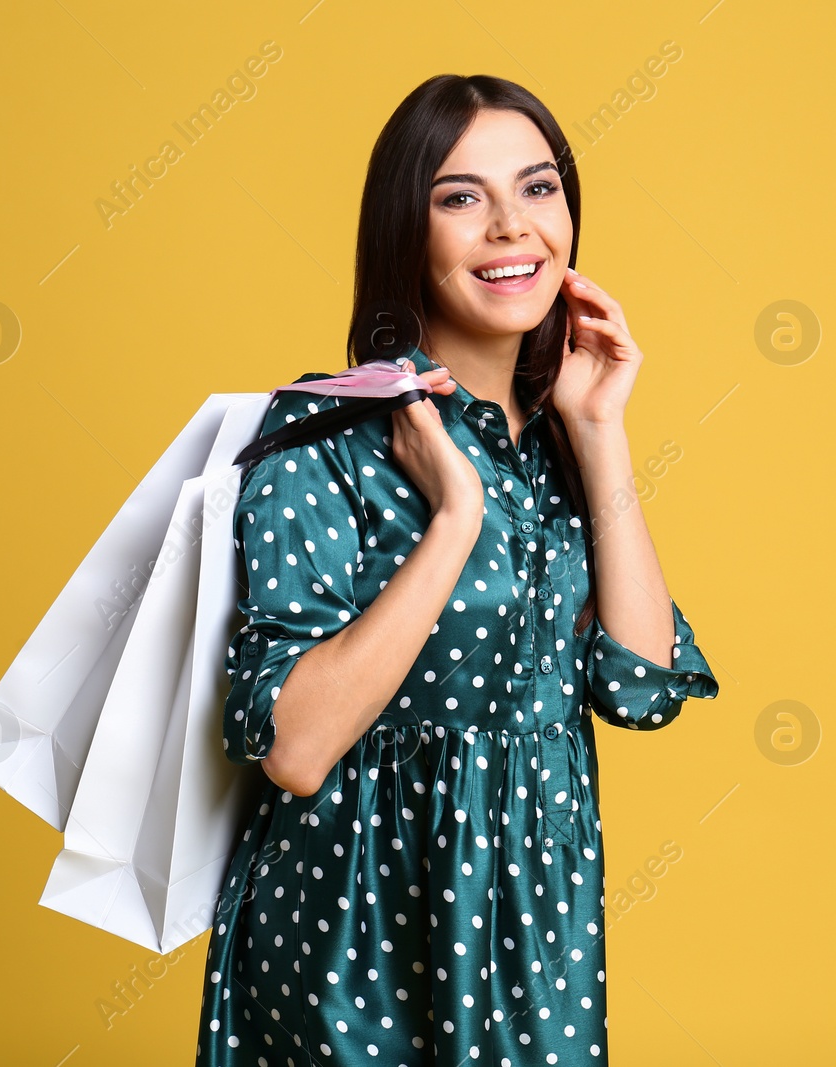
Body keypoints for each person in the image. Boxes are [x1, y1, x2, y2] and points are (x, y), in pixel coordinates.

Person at [195, 73, 719, 1066]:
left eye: (538, 189)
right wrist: (455, 517)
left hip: (535, 925)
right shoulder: (323, 441)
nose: (512, 227)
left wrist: (599, 431)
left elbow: (641, 686)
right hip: (356, 927)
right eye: (460, 197)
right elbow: (295, 747)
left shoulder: (554, 439)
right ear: (405, 230)